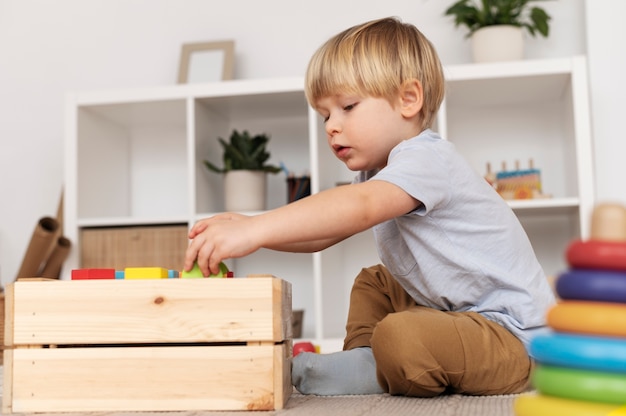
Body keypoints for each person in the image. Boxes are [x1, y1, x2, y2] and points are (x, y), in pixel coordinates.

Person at [183, 16, 555, 397]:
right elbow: (321, 235)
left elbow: (357, 207)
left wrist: (253, 229)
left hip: (513, 341)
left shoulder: (428, 160)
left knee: (401, 334)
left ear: (408, 99)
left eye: (347, 106)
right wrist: (254, 230)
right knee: (374, 281)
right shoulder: (377, 172)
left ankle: (380, 365)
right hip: (457, 316)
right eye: (325, 114)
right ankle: (363, 360)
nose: (331, 125)